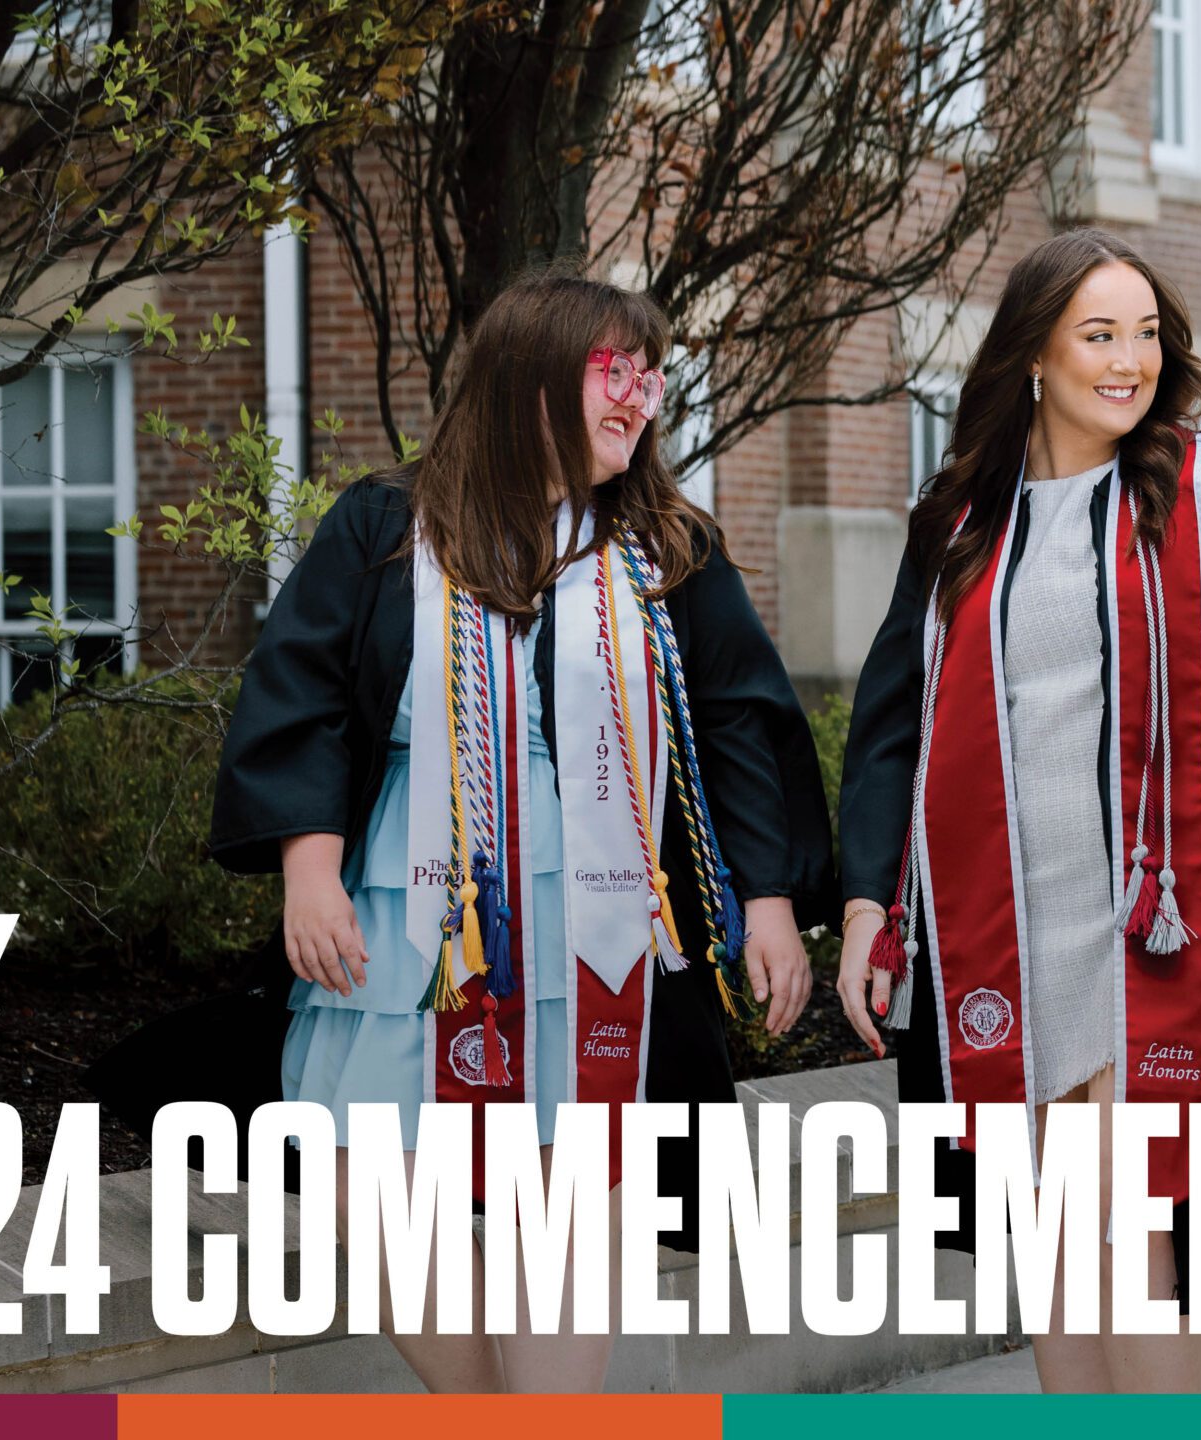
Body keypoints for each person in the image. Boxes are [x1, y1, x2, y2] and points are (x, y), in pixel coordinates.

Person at [206, 269, 834, 1391]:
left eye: (649, 377)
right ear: (527, 374)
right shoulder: (387, 529)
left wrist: (770, 902)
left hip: (596, 912)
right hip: (412, 909)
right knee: (371, 1192)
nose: (638, 397)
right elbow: (298, 694)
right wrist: (308, 870)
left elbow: (743, 721)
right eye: (613, 370)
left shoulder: (664, 550)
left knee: (569, 1197)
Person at [836, 227, 1201, 1392]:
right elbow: (893, 722)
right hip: (1009, 921)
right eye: (1098, 335)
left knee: (1141, 1213)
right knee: (1061, 1230)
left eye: (1147, 335)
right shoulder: (962, 522)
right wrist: (869, 900)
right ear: (1033, 356)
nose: (1130, 361)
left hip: (1164, 916)